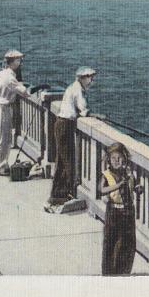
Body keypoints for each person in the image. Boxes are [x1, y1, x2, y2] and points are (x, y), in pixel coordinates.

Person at [47, 66, 98, 207]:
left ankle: (58, 194)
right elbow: (83, 110)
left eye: (92, 77)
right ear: (81, 78)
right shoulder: (78, 90)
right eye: (89, 77)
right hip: (65, 125)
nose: (91, 80)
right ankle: (65, 194)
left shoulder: (73, 87)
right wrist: (97, 115)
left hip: (62, 124)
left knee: (62, 161)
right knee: (67, 161)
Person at [100, 142, 140, 275]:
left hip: (128, 211)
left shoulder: (129, 172)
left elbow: (134, 186)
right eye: (113, 159)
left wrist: (138, 188)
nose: (116, 161)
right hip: (114, 212)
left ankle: (124, 271)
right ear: (109, 160)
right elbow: (101, 190)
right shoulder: (107, 174)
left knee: (128, 243)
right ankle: (109, 273)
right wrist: (117, 186)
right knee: (111, 243)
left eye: (119, 158)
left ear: (125, 158)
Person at [0, 50, 28, 176]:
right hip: (4, 108)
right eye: (18, 60)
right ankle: (0, 166)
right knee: (5, 139)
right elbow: (24, 92)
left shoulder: (2, 73)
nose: (20, 62)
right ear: (13, 62)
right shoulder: (10, 77)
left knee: (4, 138)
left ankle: (2, 164)